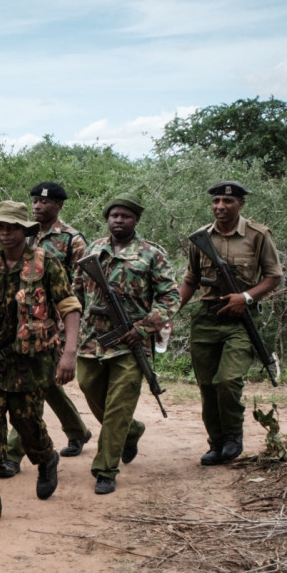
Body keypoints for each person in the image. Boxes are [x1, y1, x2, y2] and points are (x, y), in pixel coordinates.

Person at [0, 201, 82, 524]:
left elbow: (70, 307)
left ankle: (46, 458)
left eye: (12, 227)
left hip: (29, 365)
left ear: (24, 230)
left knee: (27, 425)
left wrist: (69, 354)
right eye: (0, 227)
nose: (5, 232)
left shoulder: (46, 265)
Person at [74, 195, 180, 494]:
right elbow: (77, 290)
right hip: (92, 341)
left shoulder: (151, 255)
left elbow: (171, 296)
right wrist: (67, 326)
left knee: (119, 405)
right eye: (114, 215)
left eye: (126, 216)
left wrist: (145, 327)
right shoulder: (93, 249)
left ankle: (105, 469)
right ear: (107, 219)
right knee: (88, 387)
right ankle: (131, 431)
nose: (119, 220)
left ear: (136, 221)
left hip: (131, 343)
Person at [177, 181, 283, 466]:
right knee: (207, 385)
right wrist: (168, 313)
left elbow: (273, 276)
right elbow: (191, 280)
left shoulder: (258, 235)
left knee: (227, 380)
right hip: (206, 317)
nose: (220, 207)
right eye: (216, 201)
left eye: (227, 201)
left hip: (241, 319)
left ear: (240, 205)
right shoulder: (200, 238)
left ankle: (233, 437)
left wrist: (245, 297)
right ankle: (216, 443)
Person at [1, 181, 92, 478]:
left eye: (46, 202)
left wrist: (70, 333)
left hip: (56, 323)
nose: (39, 206)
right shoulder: (22, 234)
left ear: (59, 206)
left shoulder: (72, 239)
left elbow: (81, 287)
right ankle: (77, 430)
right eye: (35, 202)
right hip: (25, 323)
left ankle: (13, 453)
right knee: (46, 383)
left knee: (32, 387)